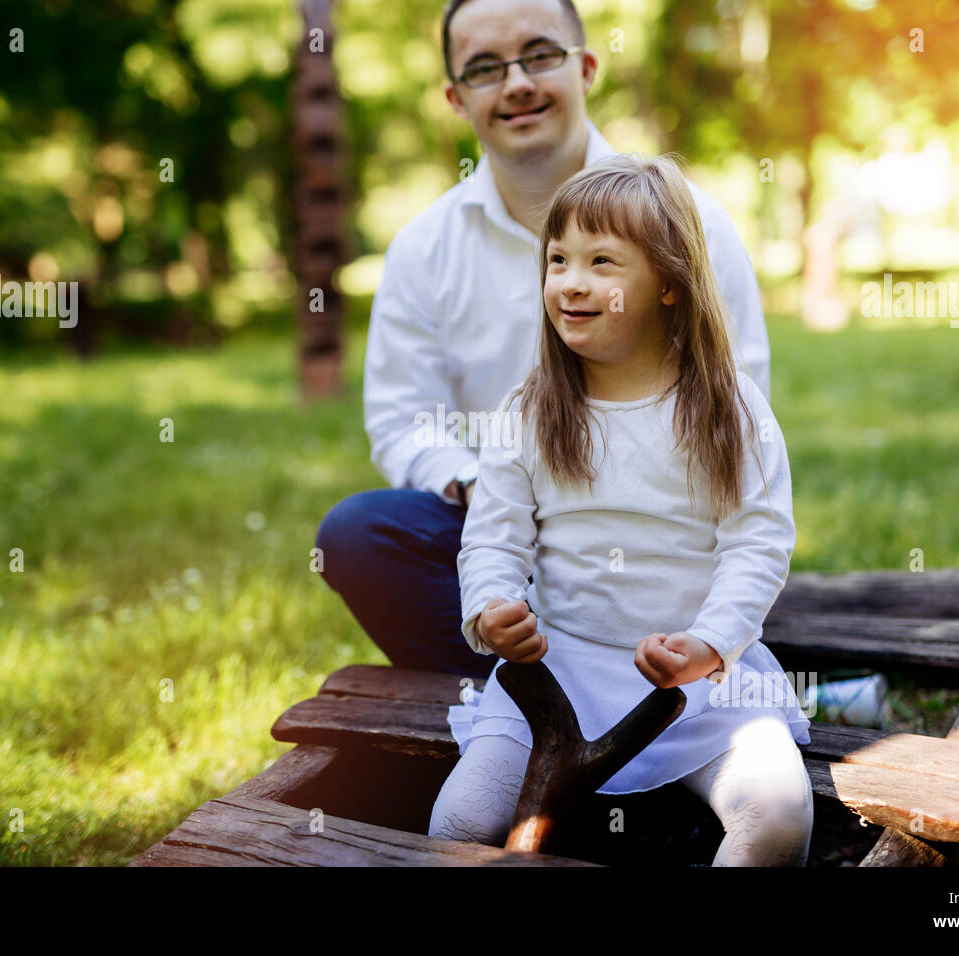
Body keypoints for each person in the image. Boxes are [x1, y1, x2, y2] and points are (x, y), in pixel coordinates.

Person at [315, 0, 771, 680]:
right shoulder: (422, 249)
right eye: (485, 68)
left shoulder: (692, 222)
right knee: (358, 535)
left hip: (667, 527)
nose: (517, 83)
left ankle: (663, 680)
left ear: (585, 68)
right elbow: (402, 422)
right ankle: (538, 694)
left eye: (539, 55)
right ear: (455, 98)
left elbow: (739, 395)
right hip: (508, 526)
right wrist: (486, 486)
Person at [427, 153, 813, 866]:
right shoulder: (530, 409)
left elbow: (756, 545)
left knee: (778, 816)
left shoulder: (726, 408)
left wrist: (710, 643)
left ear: (669, 282)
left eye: (603, 261)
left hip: (700, 684)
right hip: (560, 675)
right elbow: (493, 539)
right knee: (459, 821)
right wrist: (491, 607)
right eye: (559, 259)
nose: (572, 282)